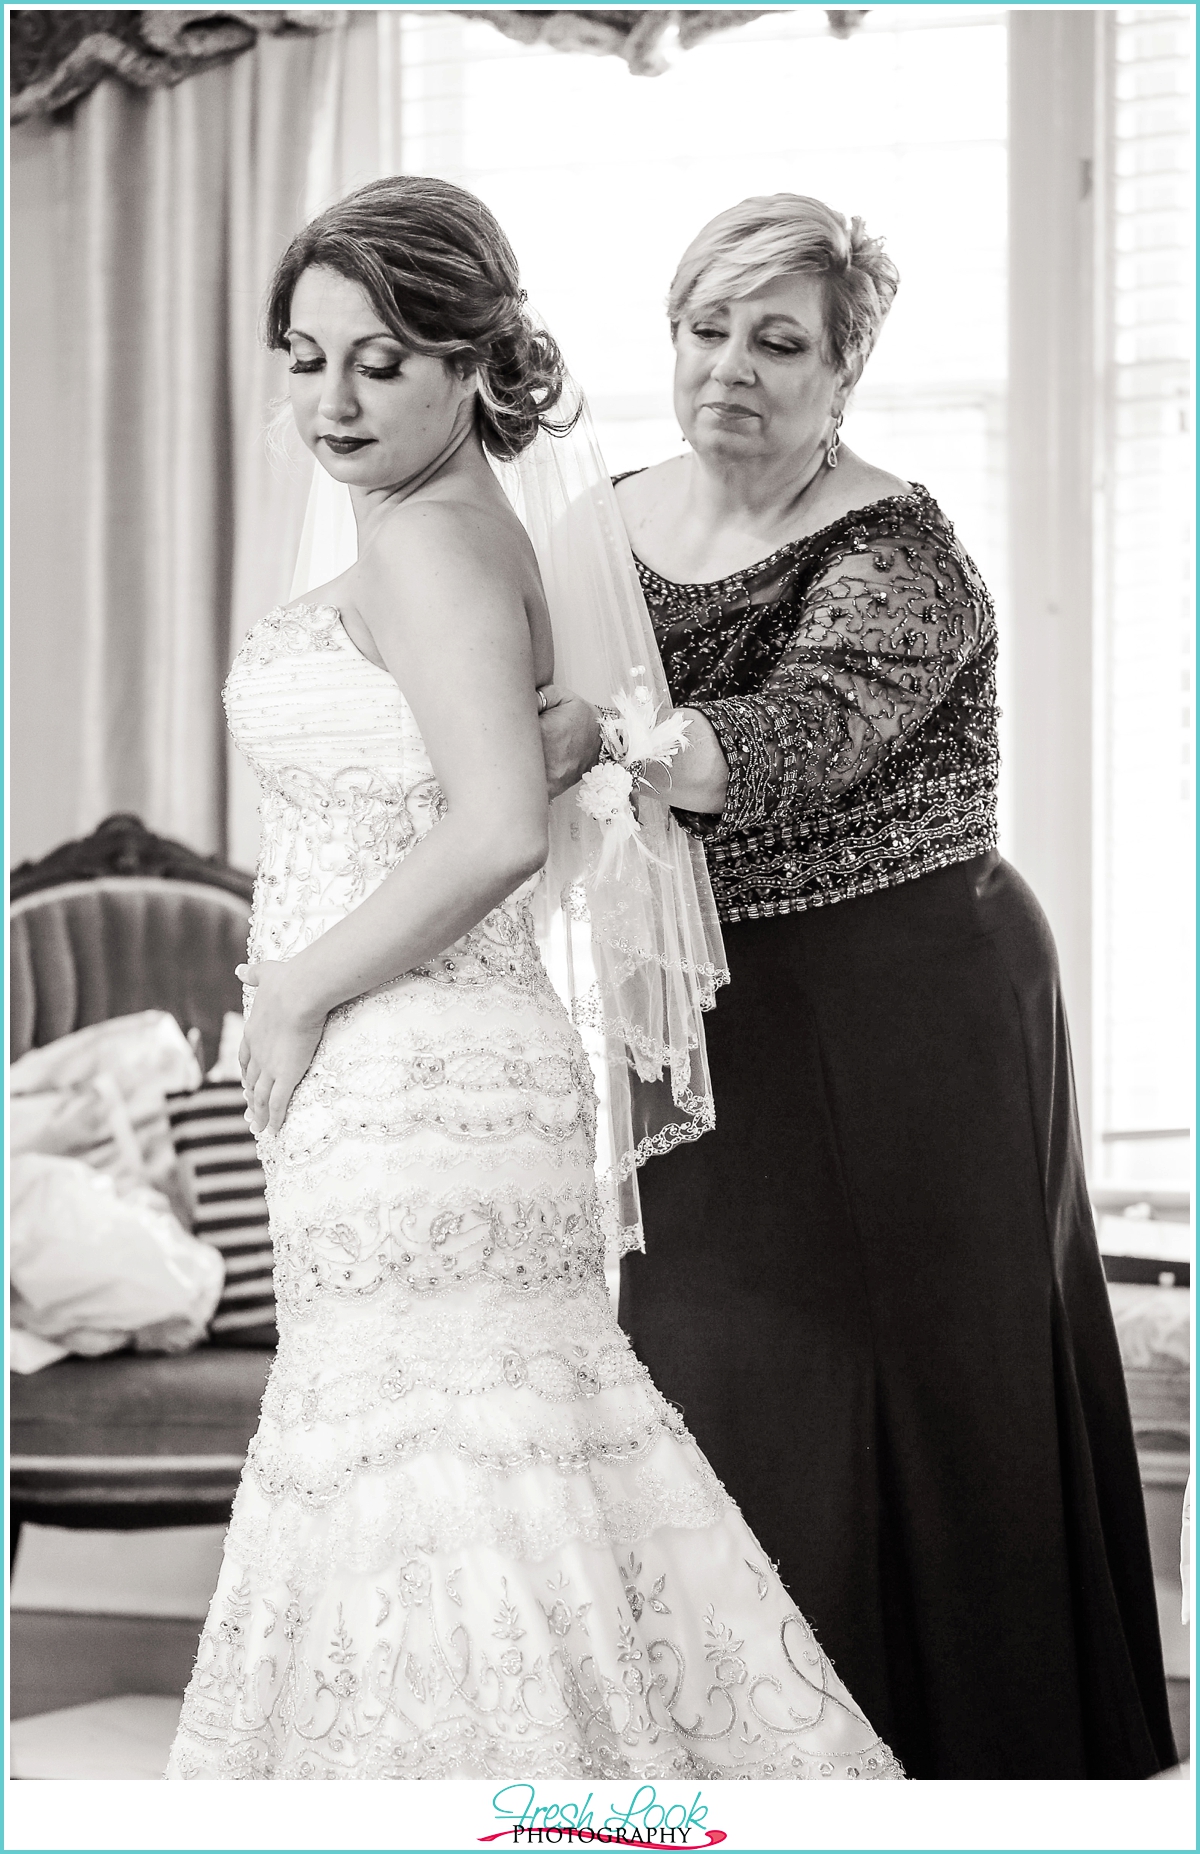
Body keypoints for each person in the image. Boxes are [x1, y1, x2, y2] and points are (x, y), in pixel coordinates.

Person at [164, 177, 902, 1781]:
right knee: (496, 1457)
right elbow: (522, 772)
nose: (332, 401)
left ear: (465, 359)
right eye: (303, 358)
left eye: (381, 359)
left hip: (409, 1065)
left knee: (435, 1471)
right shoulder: (477, 527)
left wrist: (289, 990)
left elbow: (498, 828)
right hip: (444, 1065)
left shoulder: (430, 540)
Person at [539, 193, 1175, 1780]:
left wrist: (625, 748)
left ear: (844, 372)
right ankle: (746, 1757)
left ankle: (965, 1760)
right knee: (703, 1350)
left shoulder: (903, 551)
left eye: (779, 342)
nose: (733, 371)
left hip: (920, 1001)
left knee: (923, 1370)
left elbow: (801, 731)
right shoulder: (604, 521)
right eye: (707, 331)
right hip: (707, 999)